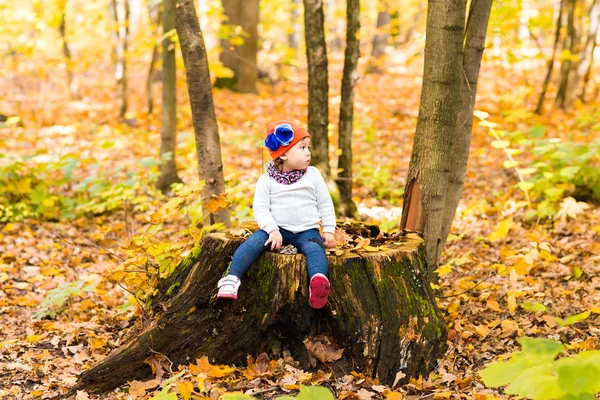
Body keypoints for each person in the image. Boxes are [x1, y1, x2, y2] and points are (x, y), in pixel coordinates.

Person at [217, 121, 336, 309]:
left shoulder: (313, 175)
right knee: (254, 243)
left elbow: (325, 204)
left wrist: (329, 230)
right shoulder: (266, 181)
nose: (308, 152)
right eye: (302, 147)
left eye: (308, 148)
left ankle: (318, 281)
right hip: (276, 229)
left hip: (306, 231)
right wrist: (272, 230)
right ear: (284, 154)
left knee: (315, 249)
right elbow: (261, 209)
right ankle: (232, 278)